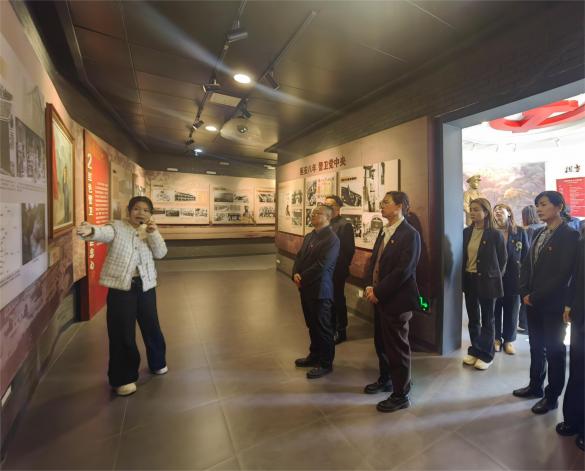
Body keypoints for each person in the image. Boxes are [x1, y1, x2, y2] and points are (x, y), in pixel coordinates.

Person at [76, 196, 168, 396]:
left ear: (150, 214)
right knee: (122, 332)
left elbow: (161, 253)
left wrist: (153, 233)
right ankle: (124, 378)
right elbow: (104, 233)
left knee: (152, 326)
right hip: (121, 288)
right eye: (136, 209)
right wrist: (91, 231)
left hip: (146, 286)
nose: (141, 213)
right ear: (129, 211)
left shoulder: (150, 230)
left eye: (146, 210)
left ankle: (158, 362)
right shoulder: (117, 227)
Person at [513, 191, 580, 414]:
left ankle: (551, 397)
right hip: (532, 301)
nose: (539, 209)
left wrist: (536, 295)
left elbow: (563, 274)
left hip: (552, 303)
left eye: (543, 204)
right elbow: (527, 265)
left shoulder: (569, 235)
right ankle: (535, 386)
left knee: (554, 351)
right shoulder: (539, 232)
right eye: (537, 205)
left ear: (559, 206)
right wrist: (524, 291)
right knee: (536, 346)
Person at [364, 191, 421, 412]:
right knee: (381, 344)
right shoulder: (384, 229)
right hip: (379, 298)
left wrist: (378, 291)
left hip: (396, 300)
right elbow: (375, 260)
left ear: (399, 206)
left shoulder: (410, 234)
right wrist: (369, 285)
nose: (381, 205)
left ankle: (401, 394)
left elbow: (403, 271)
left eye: (386, 202)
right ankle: (386, 379)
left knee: (397, 349)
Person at [293, 205, 340, 379]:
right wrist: (295, 273)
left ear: (327, 217)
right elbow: (299, 257)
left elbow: (322, 265)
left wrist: (302, 277)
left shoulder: (332, 239)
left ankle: (326, 363)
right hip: (306, 288)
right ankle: (314, 355)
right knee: (311, 324)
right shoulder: (310, 236)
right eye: (312, 213)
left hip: (320, 290)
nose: (313, 215)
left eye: (317, 213)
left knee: (323, 327)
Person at [462, 198, 507, 370]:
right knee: (473, 318)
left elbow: (503, 260)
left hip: (488, 281)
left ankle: (487, 355)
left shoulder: (495, 234)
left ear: (486, 212)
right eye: (471, 209)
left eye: (476, 210)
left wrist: (493, 276)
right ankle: (475, 350)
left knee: (488, 319)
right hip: (469, 279)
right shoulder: (466, 232)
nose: (472, 212)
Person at [556, 236, 584, 451]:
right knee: (577, 369)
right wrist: (568, 304)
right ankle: (572, 420)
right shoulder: (583, 240)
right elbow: (576, 274)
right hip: (581, 314)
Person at [493, 203, 528, 355]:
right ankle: (496, 338)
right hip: (494, 277)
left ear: (509, 213)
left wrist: (525, 279)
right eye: (495, 210)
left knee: (512, 310)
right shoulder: (491, 232)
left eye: (501, 209)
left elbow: (526, 255)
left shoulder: (519, 231)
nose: (497, 212)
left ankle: (508, 340)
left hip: (514, 278)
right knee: (495, 309)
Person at [323, 195, 355, 344]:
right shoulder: (325, 223)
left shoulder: (344, 225)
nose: (327, 207)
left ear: (338, 207)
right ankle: (329, 326)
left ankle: (340, 330)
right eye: (325, 205)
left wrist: (337, 267)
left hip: (337, 270)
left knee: (337, 299)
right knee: (327, 300)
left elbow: (348, 251)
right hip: (324, 270)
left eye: (330, 205)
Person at [518, 205, 545, 333]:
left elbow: (526, 253)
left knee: (526, 298)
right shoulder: (542, 228)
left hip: (528, 270)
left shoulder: (528, 230)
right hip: (541, 272)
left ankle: (524, 324)